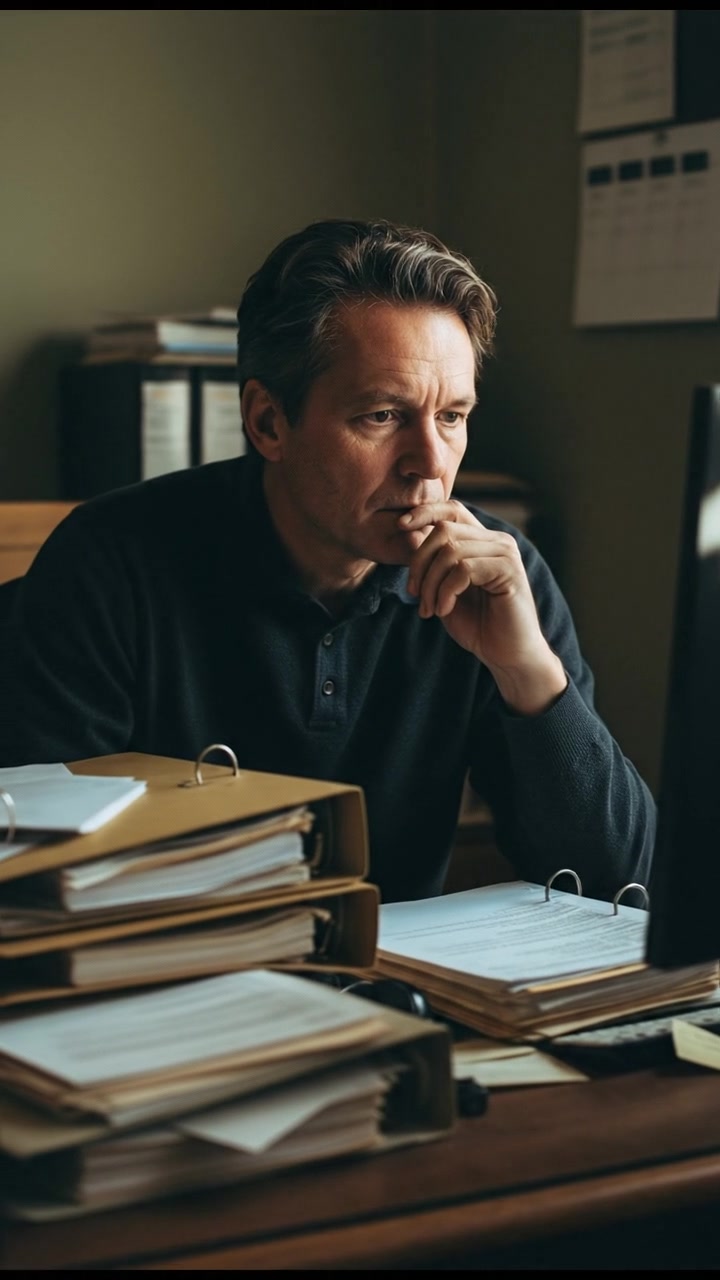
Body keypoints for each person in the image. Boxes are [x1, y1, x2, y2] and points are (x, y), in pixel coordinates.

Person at [0, 218, 656, 904]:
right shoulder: (108, 564)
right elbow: (37, 876)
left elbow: (621, 886)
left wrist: (528, 673)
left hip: (394, 968)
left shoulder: (495, 580)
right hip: (173, 960)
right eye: (382, 416)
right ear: (268, 422)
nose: (430, 462)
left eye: (452, 416)